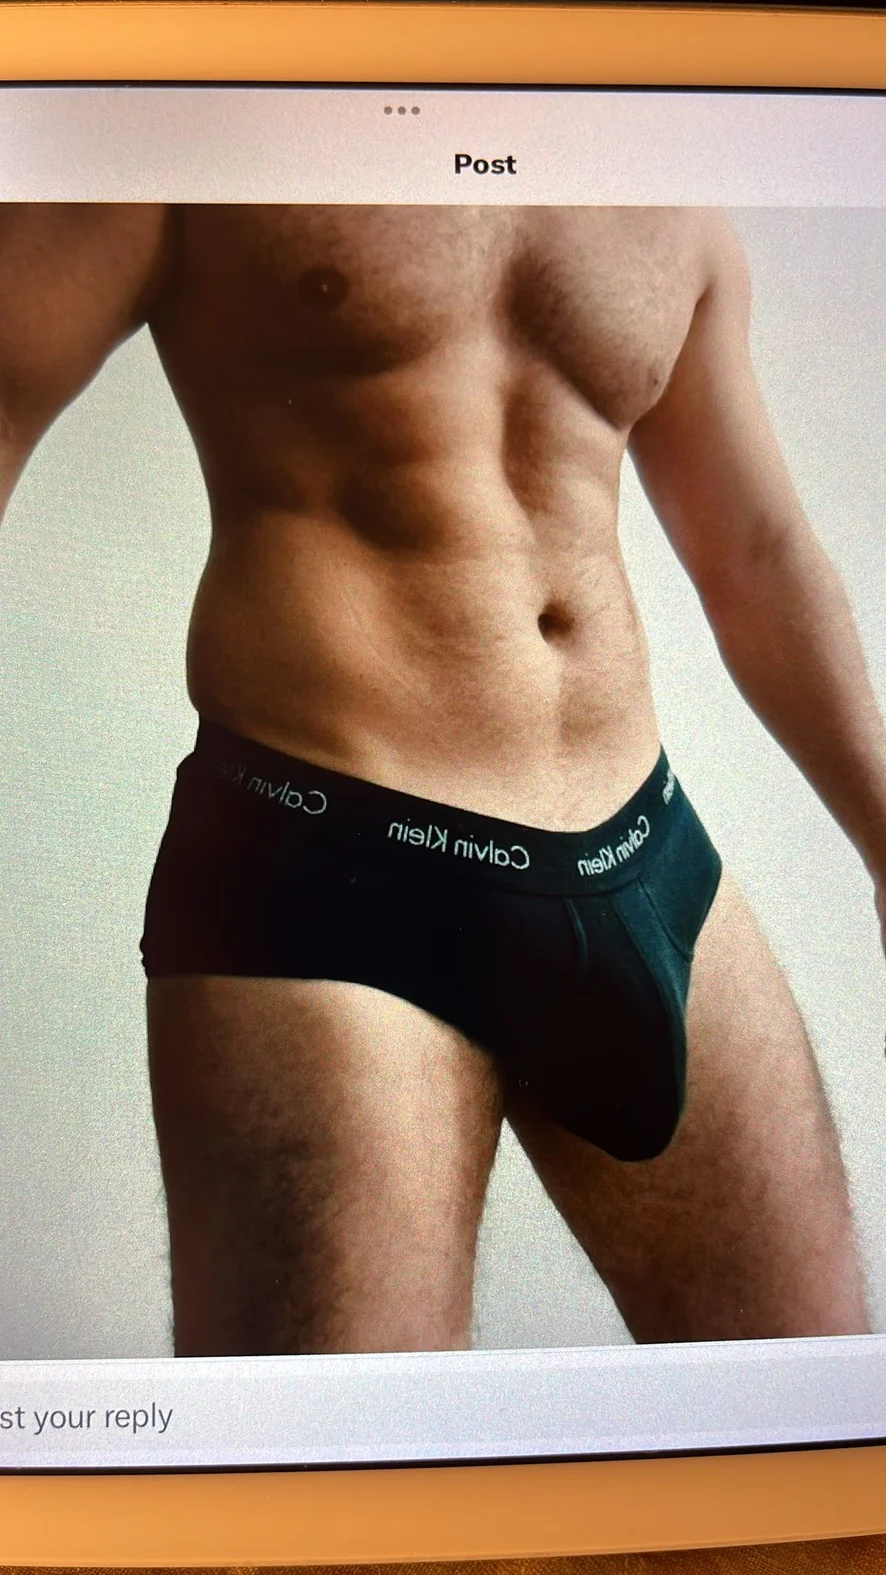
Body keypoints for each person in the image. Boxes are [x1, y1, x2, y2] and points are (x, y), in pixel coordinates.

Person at [0, 202, 880, 1356]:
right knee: (335, 1455)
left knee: (801, 1392)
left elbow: (756, 550)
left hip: (645, 851)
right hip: (333, 872)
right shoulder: (207, 147)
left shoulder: (664, 188)